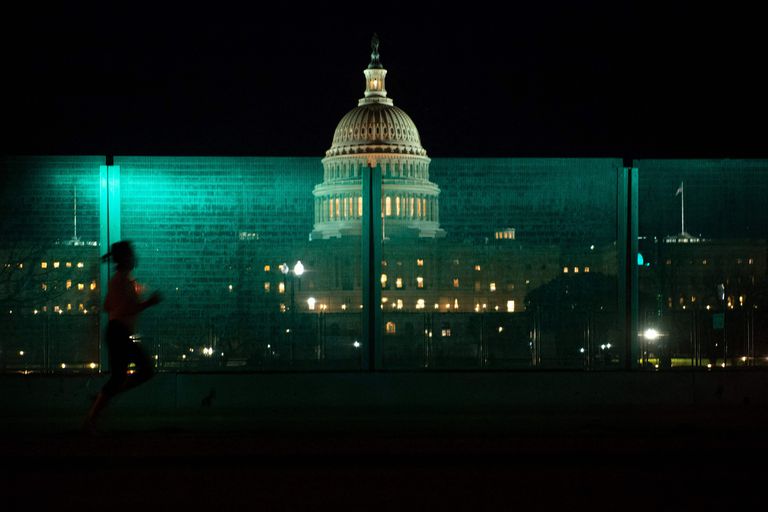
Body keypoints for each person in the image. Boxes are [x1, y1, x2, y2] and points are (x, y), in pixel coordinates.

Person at [83, 241, 162, 434]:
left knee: (124, 376)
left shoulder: (121, 281)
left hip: (117, 331)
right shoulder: (121, 281)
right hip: (119, 332)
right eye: (131, 254)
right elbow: (124, 308)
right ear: (126, 258)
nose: (135, 257)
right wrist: (148, 302)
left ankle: (101, 401)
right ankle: (95, 411)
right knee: (143, 371)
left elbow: (108, 306)